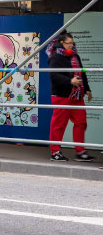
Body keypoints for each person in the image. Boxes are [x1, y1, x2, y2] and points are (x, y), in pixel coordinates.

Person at [48, 32, 93, 162]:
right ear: (61, 43)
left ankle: (80, 152)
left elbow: (82, 73)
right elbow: (54, 76)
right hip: (62, 95)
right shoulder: (56, 56)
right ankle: (55, 152)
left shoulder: (75, 55)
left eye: (72, 43)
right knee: (59, 124)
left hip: (77, 95)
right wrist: (70, 81)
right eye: (68, 43)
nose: (71, 46)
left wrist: (88, 89)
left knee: (81, 122)